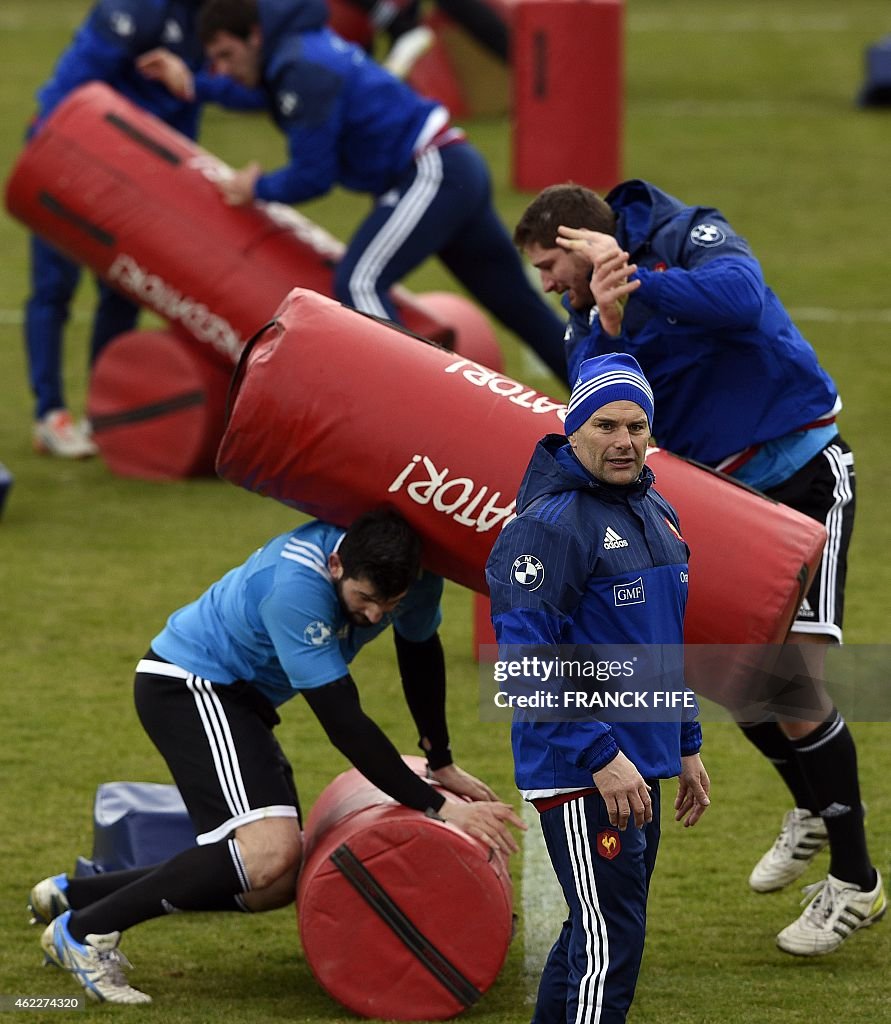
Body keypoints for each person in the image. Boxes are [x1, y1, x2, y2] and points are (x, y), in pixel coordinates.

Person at [513, 180, 887, 955]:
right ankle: (814, 807)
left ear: (585, 240)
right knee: (730, 672)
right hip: (726, 499)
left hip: (803, 474)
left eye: (552, 262)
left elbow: (741, 299)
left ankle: (855, 883)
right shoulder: (587, 309)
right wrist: (609, 317)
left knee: (791, 684)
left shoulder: (686, 232)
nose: (548, 282)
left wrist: (636, 281)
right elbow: (595, 396)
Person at [33, 507, 524, 1005]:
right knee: (267, 854)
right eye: (366, 599)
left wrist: (439, 758)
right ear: (337, 566)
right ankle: (85, 931)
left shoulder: (413, 579)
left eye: (389, 605)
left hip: (242, 700)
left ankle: (75, 896)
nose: (375, 615)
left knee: (272, 881)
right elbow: (343, 721)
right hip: (190, 685)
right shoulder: (295, 589)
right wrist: (440, 806)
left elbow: (420, 654)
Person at [140, 0, 566, 378]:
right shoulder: (294, 50)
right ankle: (615, 400)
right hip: (447, 166)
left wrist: (258, 186)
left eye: (227, 56)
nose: (225, 69)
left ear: (254, 36)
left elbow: (313, 176)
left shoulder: (300, 68)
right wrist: (195, 85)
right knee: (520, 307)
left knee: (360, 282)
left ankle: (414, 405)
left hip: (430, 169)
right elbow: (260, 94)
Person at [485, 353, 710, 1024]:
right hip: (586, 768)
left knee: (597, 932)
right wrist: (598, 753)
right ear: (573, 429)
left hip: (638, 761)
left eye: (636, 425)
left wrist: (686, 741)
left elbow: (660, 641)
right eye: (606, 425)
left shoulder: (654, 506)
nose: (623, 441)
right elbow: (526, 662)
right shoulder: (549, 527)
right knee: (610, 945)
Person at [23, 0, 264, 458]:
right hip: (73, 155)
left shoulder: (218, 17)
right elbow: (75, 86)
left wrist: (194, 88)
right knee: (55, 286)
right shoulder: (137, 9)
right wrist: (50, 158)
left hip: (142, 174)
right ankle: (50, 413)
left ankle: (101, 411)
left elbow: (254, 89)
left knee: (122, 288)